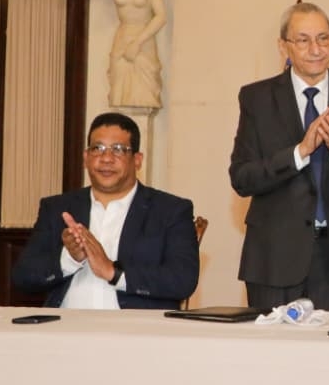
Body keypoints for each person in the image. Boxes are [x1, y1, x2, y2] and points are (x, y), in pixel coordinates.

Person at [229, 2, 329, 317]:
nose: (316, 49)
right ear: (283, 46)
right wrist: (299, 152)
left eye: (323, 38)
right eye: (303, 40)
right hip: (274, 259)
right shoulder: (257, 98)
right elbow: (242, 178)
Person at [11, 112, 198, 309]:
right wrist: (69, 258)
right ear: (86, 157)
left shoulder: (170, 211)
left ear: (137, 159)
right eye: (97, 149)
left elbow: (182, 280)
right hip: (66, 324)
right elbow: (23, 276)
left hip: (135, 326)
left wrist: (113, 273)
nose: (106, 158)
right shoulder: (57, 208)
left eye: (118, 149)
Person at [79, 0, 167, 109]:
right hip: (123, 35)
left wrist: (137, 43)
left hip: (144, 37)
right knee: (119, 88)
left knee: (145, 87)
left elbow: (161, 16)